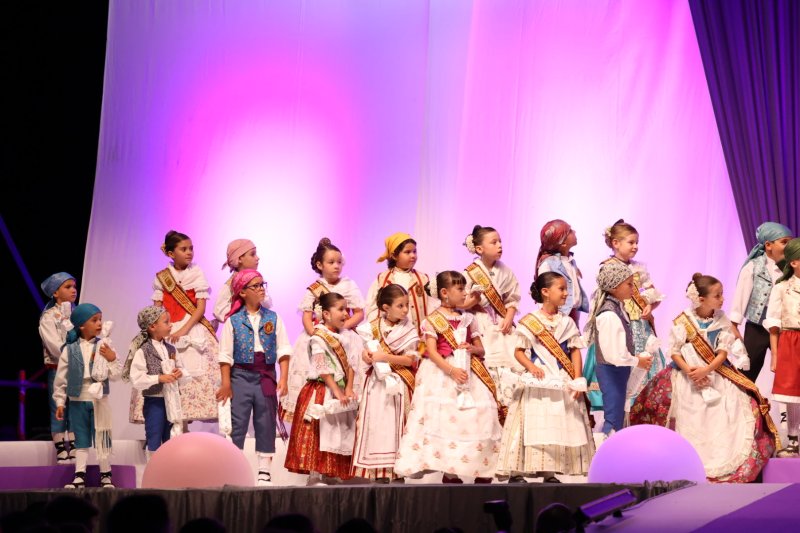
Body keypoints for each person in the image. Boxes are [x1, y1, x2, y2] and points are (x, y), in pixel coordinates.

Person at [631, 274, 778, 481]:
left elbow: (723, 352)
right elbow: (674, 351)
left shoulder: (722, 319)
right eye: (717, 296)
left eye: (722, 294)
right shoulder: (684, 320)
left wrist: (705, 370)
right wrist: (691, 372)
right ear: (701, 299)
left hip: (714, 372)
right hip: (686, 373)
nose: (722, 299)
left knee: (735, 407)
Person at [395, 271, 503, 484]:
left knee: (478, 416)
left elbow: (482, 350)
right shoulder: (432, 320)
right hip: (443, 372)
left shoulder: (469, 318)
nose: (465, 293)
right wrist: (451, 370)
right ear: (445, 293)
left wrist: (472, 348)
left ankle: (481, 467)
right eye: (460, 289)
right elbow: (431, 351)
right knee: (445, 418)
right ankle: (449, 470)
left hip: (469, 370)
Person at [496, 272, 594, 483]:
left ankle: (550, 471)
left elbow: (575, 350)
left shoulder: (567, 322)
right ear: (545, 292)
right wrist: (531, 367)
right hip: (538, 381)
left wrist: (577, 378)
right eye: (561, 288)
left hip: (560, 379)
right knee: (531, 423)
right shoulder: (531, 322)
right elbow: (519, 351)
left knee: (557, 423)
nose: (566, 293)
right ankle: (517, 470)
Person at [217, 269, 292, 486]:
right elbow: (225, 356)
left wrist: (284, 379)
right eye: (256, 286)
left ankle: (264, 471)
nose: (261, 289)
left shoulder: (273, 318)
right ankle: (234, 468)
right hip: (240, 375)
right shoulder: (234, 321)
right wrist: (226, 383)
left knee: (266, 421)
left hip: (265, 374)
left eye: (262, 285)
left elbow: (283, 350)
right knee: (237, 422)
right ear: (242, 292)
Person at [282, 238, 364, 420]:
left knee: (351, 367)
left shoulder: (349, 285)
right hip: (319, 337)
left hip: (343, 336)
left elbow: (359, 313)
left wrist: (342, 327)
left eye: (339, 262)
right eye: (331, 262)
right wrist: (318, 334)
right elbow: (306, 316)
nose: (336, 266)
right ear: (320, 265)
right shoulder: (313, 289)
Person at [284, 292, 362, 485]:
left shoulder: (348, 337)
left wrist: (349, 388)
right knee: (318, 432)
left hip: (341, 390)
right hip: (321, 390)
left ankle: (331, 471)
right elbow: (322, 367)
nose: (346, 313)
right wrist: (336, 391)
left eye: (347, 309)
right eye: (341, 309)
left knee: (338, 431)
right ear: (326, 314)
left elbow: (352, 364)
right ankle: (315, 474)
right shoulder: (318, 338)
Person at [352, 284, 419, 482]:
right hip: (376, 384)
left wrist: (385, 357)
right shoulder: (371, 327)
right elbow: (364, 356)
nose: (406, 310)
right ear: (385, 307)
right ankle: (380, 471)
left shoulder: (409, 329)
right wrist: (366, 355)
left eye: (407, 305)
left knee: (397, 427)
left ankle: (398, 470)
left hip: (399, 383)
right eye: (400, 306)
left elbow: (411, 360)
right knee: (377, 426)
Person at [52, 303, 120, 488]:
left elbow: (116, 375)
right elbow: (61, 378)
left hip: (99, 400)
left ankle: (106, 474)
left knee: (103, 436)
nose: (99, 323)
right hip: (77, 399)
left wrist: (112, 358)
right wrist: (60, 402)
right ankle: (79, 474)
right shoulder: (70, 349)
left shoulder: (105, 346)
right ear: (81, 325)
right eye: (94, 320)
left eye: (100, 319)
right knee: (80, 438)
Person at [583, 261, 653, 440]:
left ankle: (612, 452)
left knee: (617, 414)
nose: (633, 288)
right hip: (611, 370)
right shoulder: (609, 314)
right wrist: (637, 360)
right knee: (613, 417)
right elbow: (614, 355)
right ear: (614, 287)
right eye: (629, 284)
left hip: (618, 371)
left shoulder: (617, 309)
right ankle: (605, 453)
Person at [462, 225, 522, 406]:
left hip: (503, 322)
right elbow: (462, 302)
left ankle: (508, 406)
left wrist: (510, 316)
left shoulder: (506, 271)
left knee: (509, 365)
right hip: (480, 324)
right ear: (479, 249)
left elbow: (512, 297)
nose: (499, 246)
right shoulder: (470, 273)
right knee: (488, 363)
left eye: (500, 241)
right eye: (494, 242)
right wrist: (474, 300)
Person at [730, 222, 793, 383]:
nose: (788, 246)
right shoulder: (753, 267)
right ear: (768, 245)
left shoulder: (791, 267)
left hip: (781, 326)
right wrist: (734, 324)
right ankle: (745, 403)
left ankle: (787, 407)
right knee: (749, 367)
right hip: (757, 327)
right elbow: (741, 295)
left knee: (788, 368)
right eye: (784, 242)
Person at [123, 305, 187, 459]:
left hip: (172, 400)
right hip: (155, 401)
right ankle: (153, 471)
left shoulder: (171, 349)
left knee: (170, 436)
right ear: (152, 326)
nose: (170, 325)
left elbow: (184, 371)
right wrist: (158, 378)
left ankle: (168, 470)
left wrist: (180, 373)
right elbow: (137, 378)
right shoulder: (143, 350)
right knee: (154, 435)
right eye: (166, 322)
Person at [38, 272, 78, 463]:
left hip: (77, 367)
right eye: (68, 287)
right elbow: (53, 344)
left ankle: (75, 442)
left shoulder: (78, 313)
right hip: (58, 366)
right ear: (55, 292)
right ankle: (61, 445)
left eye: (74, 286)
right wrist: (72, 355)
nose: (73, 290)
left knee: (76, 403)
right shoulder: (48, 317)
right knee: (59, 405)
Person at [766, 238, 800, 456]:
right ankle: (794, 440)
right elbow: (773, 325)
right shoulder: (782, 288)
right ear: (794, 262)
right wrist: (775, 356)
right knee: (792, 396)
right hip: (791, 341)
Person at [364, 232, 436, 336]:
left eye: (414, 251)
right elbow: (372, 309)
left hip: (418, 337)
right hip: (389, 338)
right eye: (407, 252)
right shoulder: (382, 279)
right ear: (394, 255)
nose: (413, 255)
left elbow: (431, 308)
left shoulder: (423, 279)